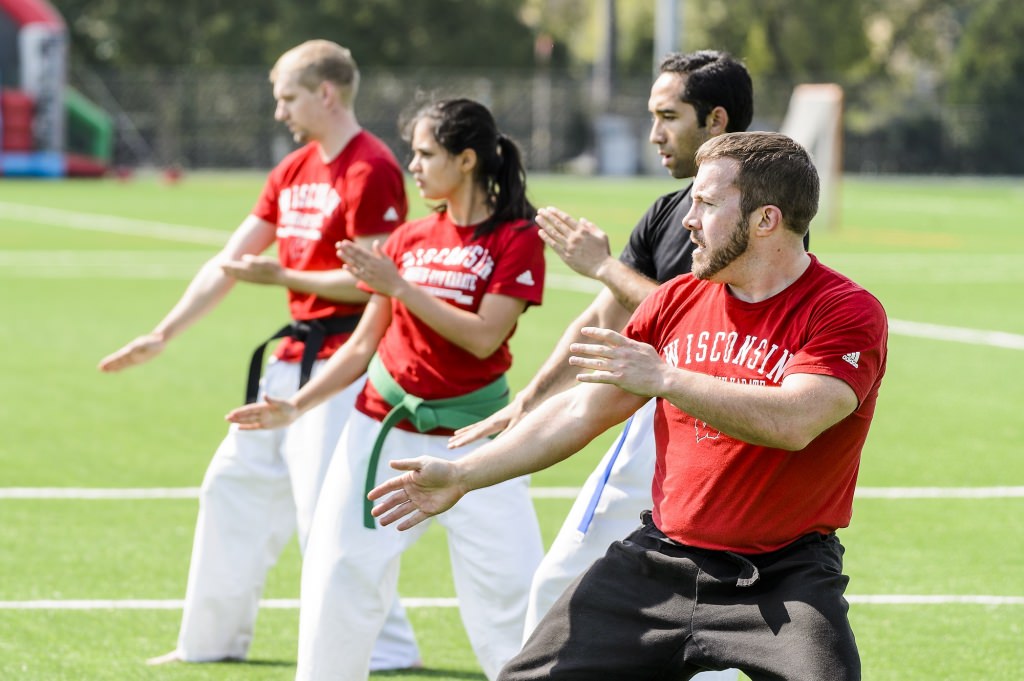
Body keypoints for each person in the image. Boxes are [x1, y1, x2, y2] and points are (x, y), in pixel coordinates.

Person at [370, 131, 888, 680]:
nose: (689, 220)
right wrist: (463, 475)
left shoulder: (845, 311)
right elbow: (582, 411)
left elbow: (794, 419)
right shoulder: (675, 299)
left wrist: (665, 377)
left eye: (707, 204)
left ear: (766, 220)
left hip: (784, 580)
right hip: (661, 562)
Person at [97, 40, 420, 670]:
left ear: (326, 93)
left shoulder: (370, 167)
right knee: (231, 487)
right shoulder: (295, 168)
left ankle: (385, 647)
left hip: (343, 363)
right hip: (290, 358)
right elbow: (232, 260)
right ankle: (211, 642)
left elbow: (375, 279)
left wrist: (284, 277)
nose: (279, 111)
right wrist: (164, 333)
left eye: (288, 97)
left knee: (324, 511)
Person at [452, 51, 757, 680]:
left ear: (716, 119)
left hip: (723, 437)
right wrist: (528, 400)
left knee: (712, 627)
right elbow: (602, 319)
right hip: (652, 425)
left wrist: (602, 265)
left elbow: (702, 332)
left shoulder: (756, 217)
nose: (654, 133)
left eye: (668, 116)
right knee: (568, 589)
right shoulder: (667, 212)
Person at [226, 98, 546, 681]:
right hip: (379, 430)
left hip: (476, 441)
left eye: (425, 153)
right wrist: (294, 406)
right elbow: (361, 344)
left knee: (513, 592)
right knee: (338, 573)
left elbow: (482, 338)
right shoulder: (407, 238)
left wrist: (401, 286)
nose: (413, 166)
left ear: (467, 159)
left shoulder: (517, 238)